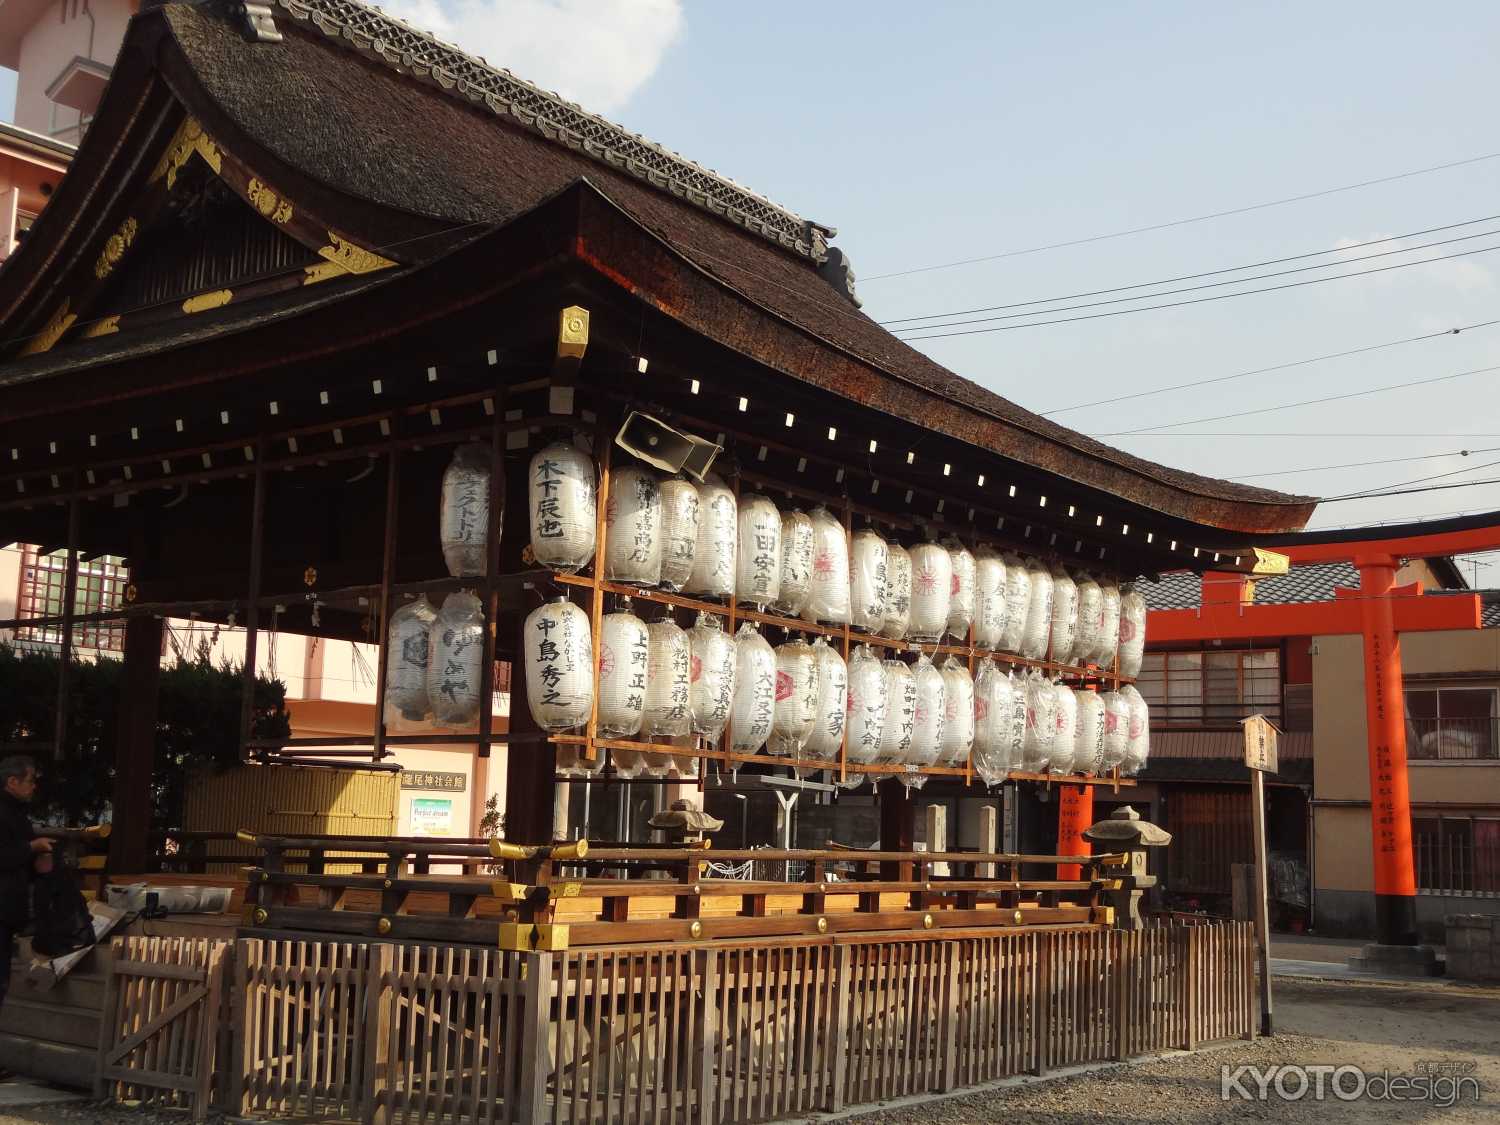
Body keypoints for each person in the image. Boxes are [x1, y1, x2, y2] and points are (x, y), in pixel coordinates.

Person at [0, 756, 51, 1016]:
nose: (34, 787)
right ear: (12, 781)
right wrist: (31, 847)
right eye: (30, 781)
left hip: (8, 911)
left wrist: (38, 860)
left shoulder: (18, 814)